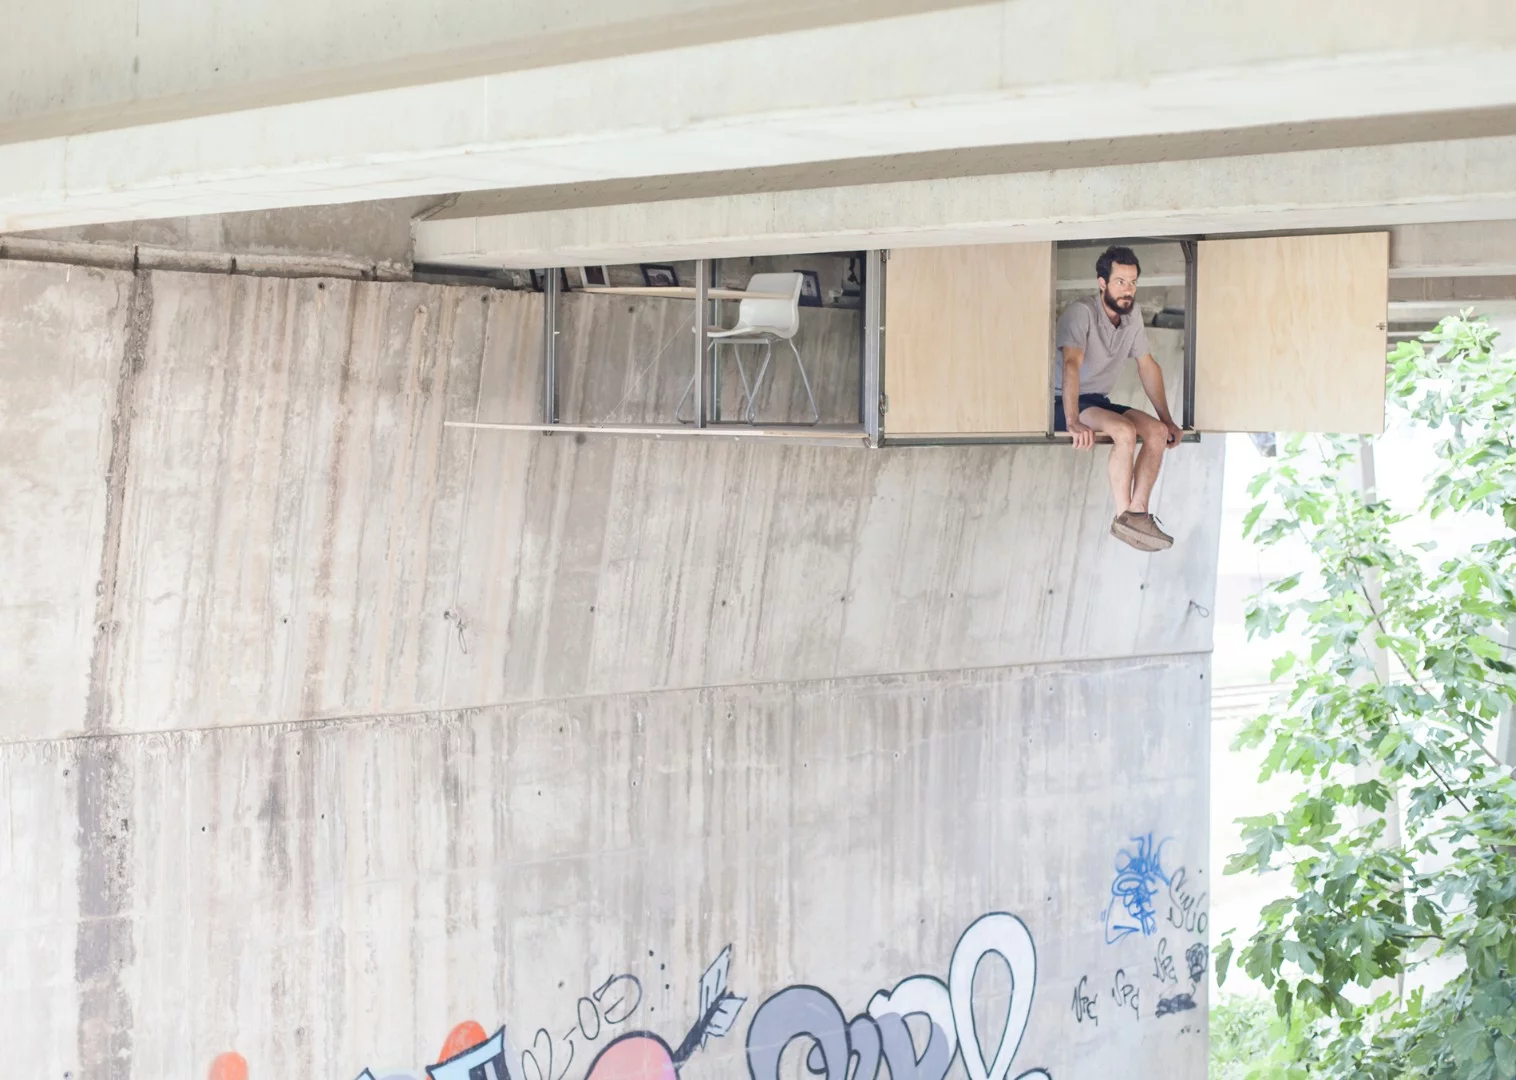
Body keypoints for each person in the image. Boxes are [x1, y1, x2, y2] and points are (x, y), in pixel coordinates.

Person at [1055, 245, 1182, 551]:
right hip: (1067, 402)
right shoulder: (1081, 313)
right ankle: (1122, 516)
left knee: (1156, 432)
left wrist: (1167, 419)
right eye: (1120, 282)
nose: (1128, 290)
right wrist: (1072, 421)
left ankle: (1137, 513)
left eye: (1133, 283)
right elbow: (1071, 365)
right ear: (1102, 283)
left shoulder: (1132, 316)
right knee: (1124, 431)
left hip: (1099, 401)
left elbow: (1147, 365)